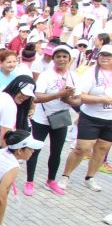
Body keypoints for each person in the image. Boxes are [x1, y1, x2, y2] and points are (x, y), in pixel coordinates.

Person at [25, 44, 79, 196]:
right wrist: (59, 94)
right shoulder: (46, 75)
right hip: (42, 117)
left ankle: (51, 180)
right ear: (53, 58)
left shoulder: (74, 76)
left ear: (69, 59)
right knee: (35, 149)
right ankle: (29, 181)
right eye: (58, 56)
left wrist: (69, 99)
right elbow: (37, 97)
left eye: (64, 57)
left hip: (60, 116)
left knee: (56, 151)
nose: (61, 59)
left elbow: (78, 100)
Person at [59, 45, 112, 192]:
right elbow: (80, 95)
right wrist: (101, 100)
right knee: (81, 148)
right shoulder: (91, 73)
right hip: (91, 117)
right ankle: (65, 176)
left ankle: (90, 177)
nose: (105, 58)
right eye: (103, 55)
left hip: (110, 119)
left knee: (102, 149)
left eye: (109, 56)